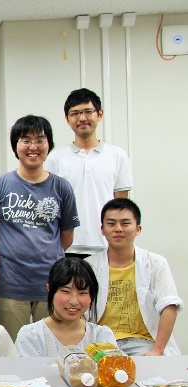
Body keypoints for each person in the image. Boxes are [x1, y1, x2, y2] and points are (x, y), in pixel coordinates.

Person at [0, 115, 79, 341]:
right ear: (16, 145)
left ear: (48, 145)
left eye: (40, 140)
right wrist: (11, 251)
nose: (33, 147)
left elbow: (66, 237)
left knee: (51, 347)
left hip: (52, 285)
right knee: (14, 348)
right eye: (26, 140)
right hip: (11, 285)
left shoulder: (61, 187)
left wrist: (46, 254)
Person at [86, 198, 183, 356]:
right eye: (111, 224)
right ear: (102, 229)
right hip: (100, 343)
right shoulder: (89, 266)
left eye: (125, 223)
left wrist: (157, 350)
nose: (118, 229)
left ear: (138, 229)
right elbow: (79, 310)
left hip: (143, 343)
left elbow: (169, 306)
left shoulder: (155, 263)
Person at [46, 88, 133, 259]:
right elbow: (50, 206)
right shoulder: (55, 158)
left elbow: (121, 206)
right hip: (66, 247)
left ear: (100, 114)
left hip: (106, 246)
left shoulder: (117, 155)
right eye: (75, 113)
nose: (82, 118)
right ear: (67, 119)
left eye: (88, 111)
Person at [16, 257, 116, 357]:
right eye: (66, 291)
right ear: (50, 289)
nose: (74, 301)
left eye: (82, 293)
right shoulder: (31, 335)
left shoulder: (101, 336)